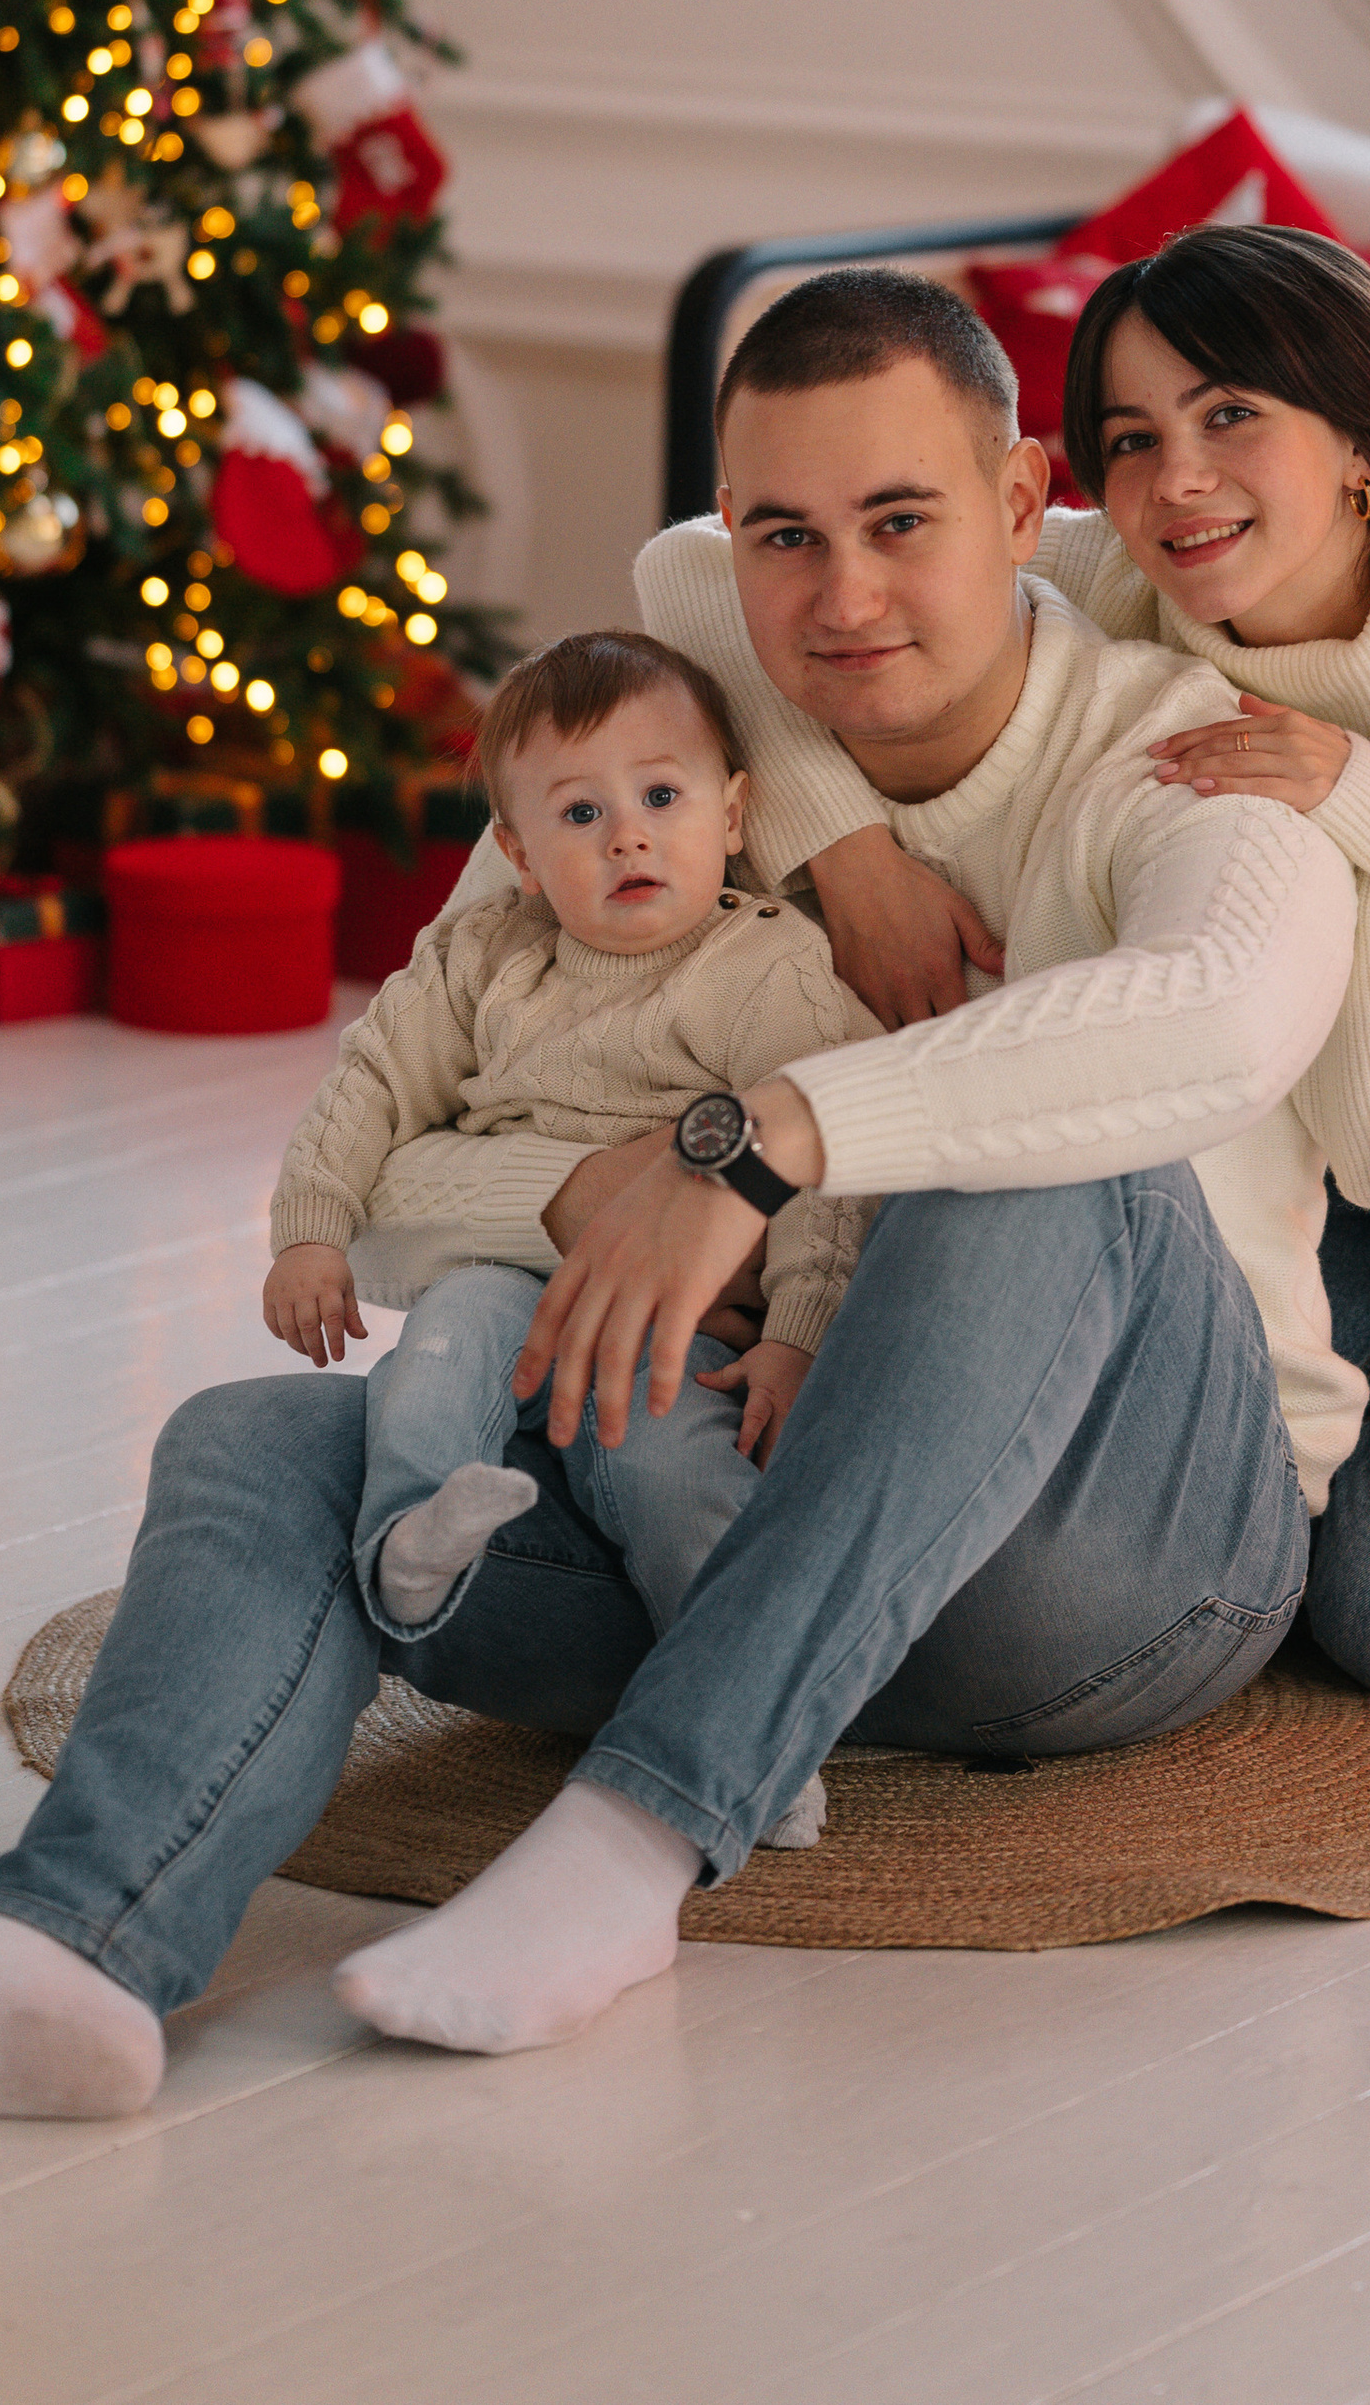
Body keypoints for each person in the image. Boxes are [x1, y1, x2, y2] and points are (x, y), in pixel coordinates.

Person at [0, 269, 1356, 2116]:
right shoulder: (646, 763)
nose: (844, 596)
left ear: (1023, 503)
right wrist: (600, 1191)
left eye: (900, 522)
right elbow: (398, 1180)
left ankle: (631, 1843)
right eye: (786, 535)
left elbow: (1219, 1015)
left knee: (1036, 1163)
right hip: (716, 1509)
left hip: (1109, 1570)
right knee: (258, 1441)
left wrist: (759, 1144)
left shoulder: (1181, 756)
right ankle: (59, 1956)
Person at [645, 225, 1370, 1699]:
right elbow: (689, 567)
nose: (1177, 480)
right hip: (1356, 1169)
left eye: (1231, 414)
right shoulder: (1145, 573)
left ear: (1361, 442)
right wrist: (847, 852)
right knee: (1219, 1477)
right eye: (1132, 438)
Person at [264, 625, 875, 1847]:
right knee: (438, 1354)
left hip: (679, 1311)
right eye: (581, 814)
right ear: (519, 855)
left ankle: (751, 1724)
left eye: (661, 798)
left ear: (733, 813)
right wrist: (310, 1233)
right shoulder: (482, 955)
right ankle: (415, 1546)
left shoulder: (768, 971)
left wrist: (799, 1333)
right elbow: (371, 1083)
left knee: (679, 1479)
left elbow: (824, 1167)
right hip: (510, 1278)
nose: (627, 838)